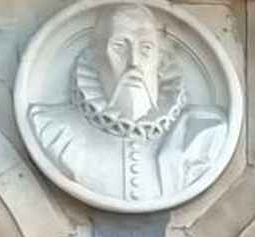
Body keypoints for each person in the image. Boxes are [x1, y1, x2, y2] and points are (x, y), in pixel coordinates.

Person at [26, 4, 230, 207]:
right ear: (95, 56)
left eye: (146, 48)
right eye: (119, 47)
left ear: (159, 59)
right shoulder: (56, 131)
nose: (134, 63)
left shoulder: (203, 132)